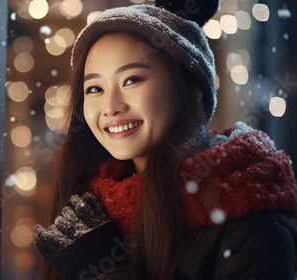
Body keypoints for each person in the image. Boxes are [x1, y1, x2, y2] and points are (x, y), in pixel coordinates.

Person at [34, 0, 297, 279]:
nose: (110, 106)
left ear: (192, 88)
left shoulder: (253, 215)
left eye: (132, 80)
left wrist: (107, 271)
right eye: (95, 88)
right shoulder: (90, 211)